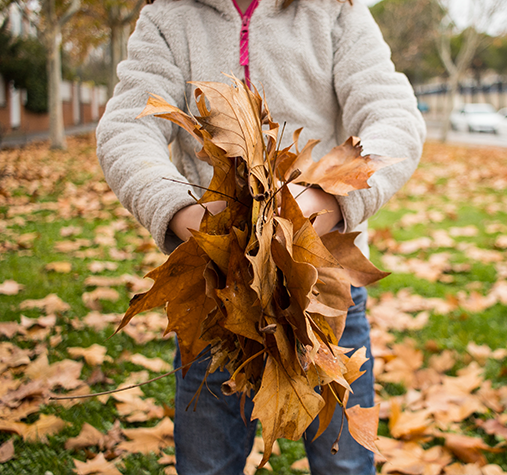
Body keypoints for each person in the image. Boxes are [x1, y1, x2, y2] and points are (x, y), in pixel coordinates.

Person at [96, 0, 425, 474]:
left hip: (324, 288)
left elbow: (394, 116)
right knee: (207, 462)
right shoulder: (170, 16)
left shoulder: (334, 11)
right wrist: (186, 215)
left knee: (345, 462)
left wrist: (325, 202)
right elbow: (127, 127)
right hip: (218, 292)